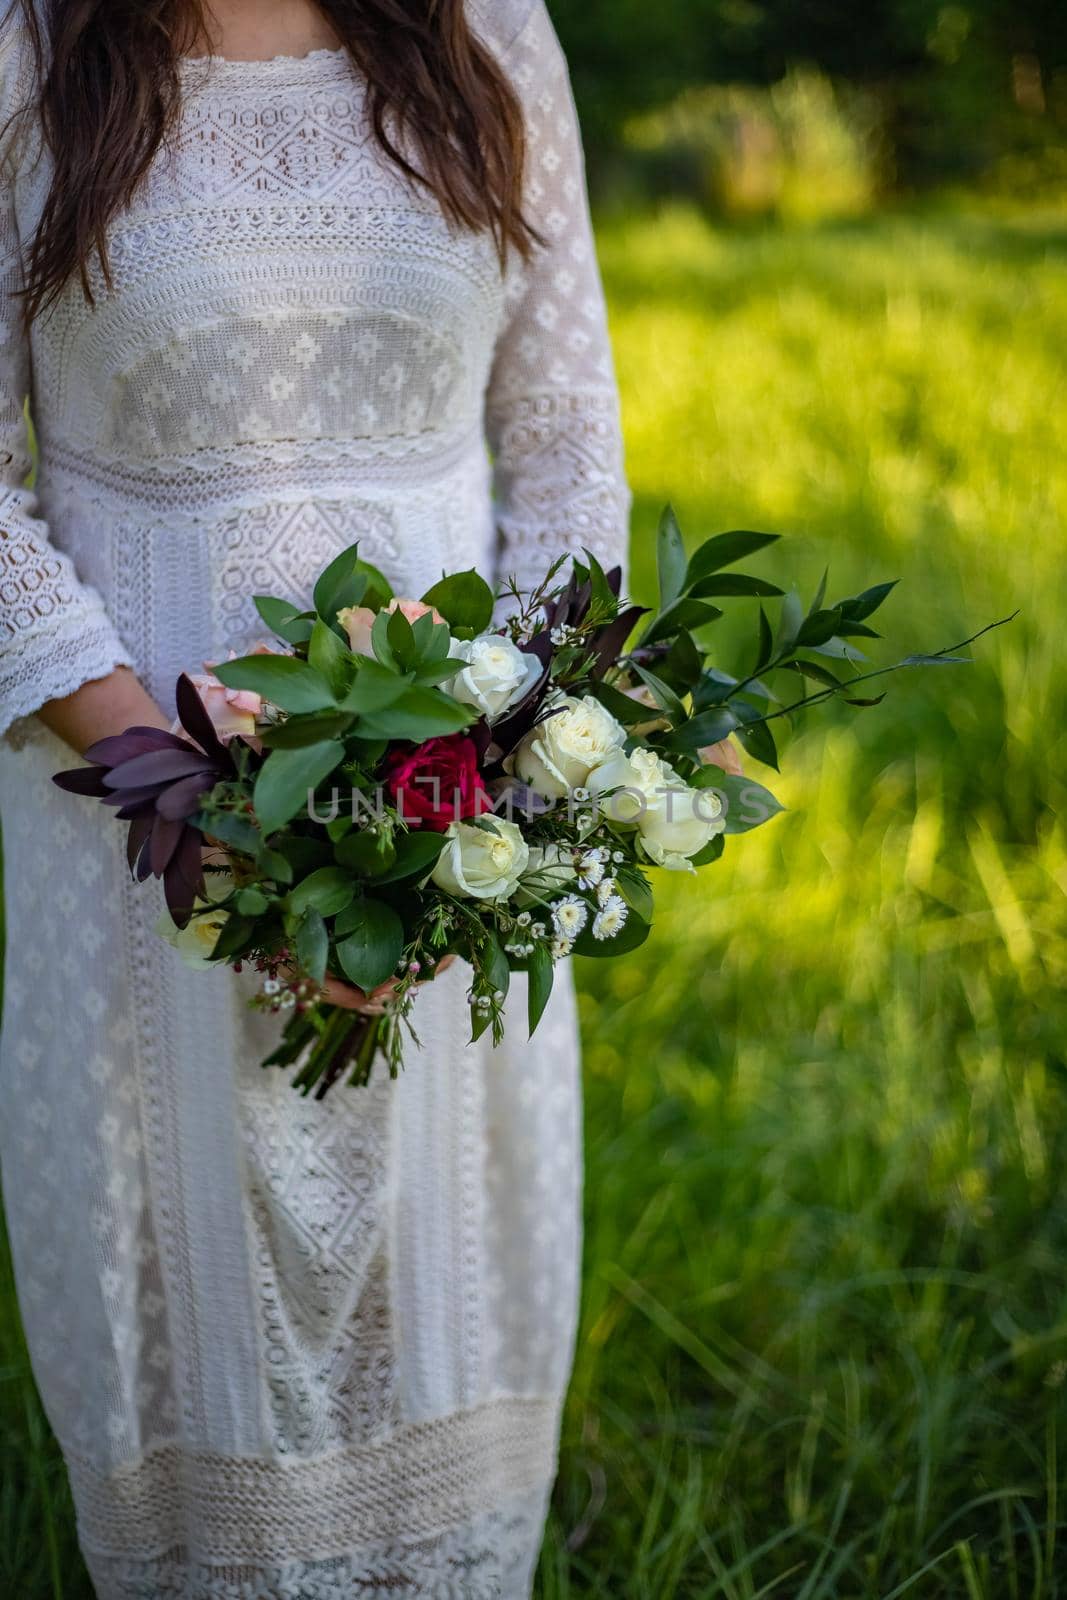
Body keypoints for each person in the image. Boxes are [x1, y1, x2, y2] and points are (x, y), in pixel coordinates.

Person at [0, 0, 630, 1593]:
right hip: (133, 847)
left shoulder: (488, 33)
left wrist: (482, 819)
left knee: (442, 1318)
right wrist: (171, 796)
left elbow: (564, 453)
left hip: (450, 842)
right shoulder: (29, 49)